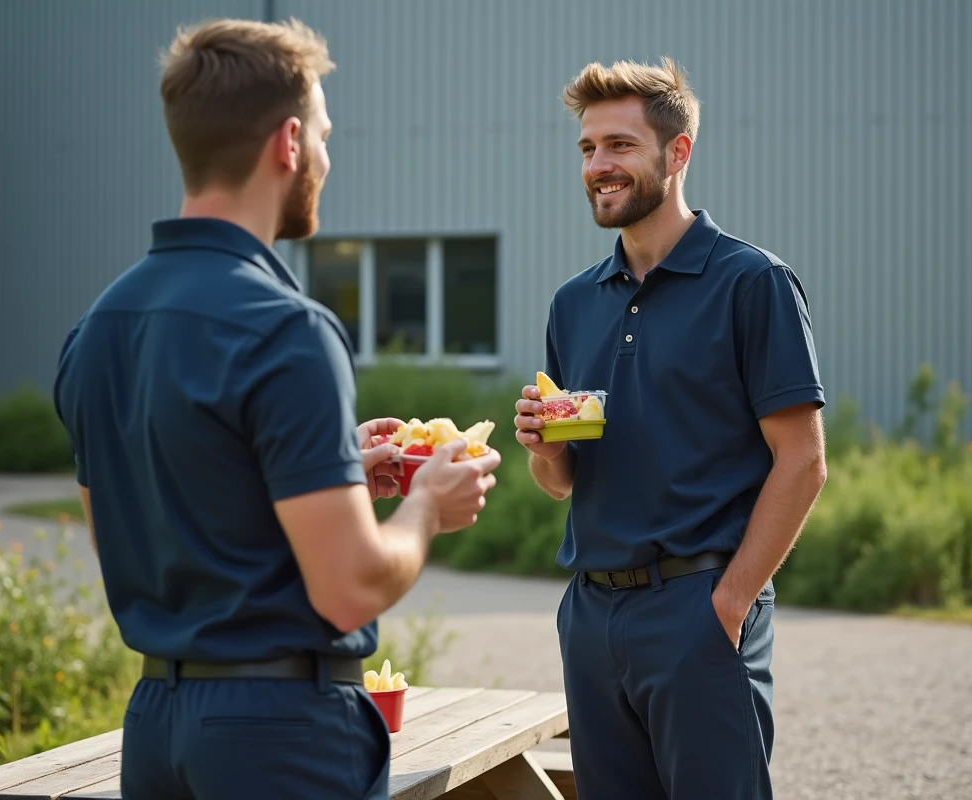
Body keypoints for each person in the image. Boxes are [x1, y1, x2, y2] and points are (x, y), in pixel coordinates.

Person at [53, 17, 501, 800]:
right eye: (326, 135)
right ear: (288, 143)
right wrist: (428, 505)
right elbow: (351, 587)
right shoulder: (289, 329)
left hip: (155, 727)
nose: (328, 156)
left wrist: (325, 469)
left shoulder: (96, 329)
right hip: (279, 735)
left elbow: (146, 528)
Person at [513, 57, 827, 800]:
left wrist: (729, 602)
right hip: (591, 617)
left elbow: (803, 462)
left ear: (676, 152)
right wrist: (540, 446)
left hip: (697, 608)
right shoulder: (573, 303)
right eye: (588, 149)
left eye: (619, 145)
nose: (598, 165)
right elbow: (561, 484)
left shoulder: (753, 283)